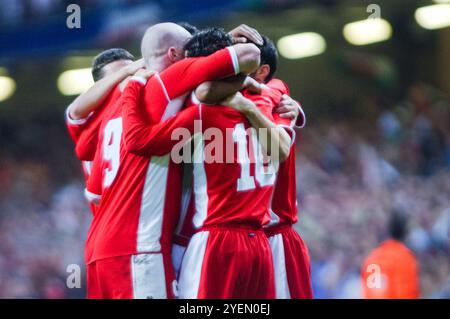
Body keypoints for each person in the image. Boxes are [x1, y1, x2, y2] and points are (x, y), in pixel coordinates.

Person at [83, 23, 262, 299]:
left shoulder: (114, 105)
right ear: (175, 55)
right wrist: (226, 44)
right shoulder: (166, 82)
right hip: (139, 248)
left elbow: (93, 192)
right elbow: (248, 55)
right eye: (188, 50)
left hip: (99, 250)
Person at [119, 27, 294, 298]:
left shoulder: (200, 113)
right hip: (258, 243)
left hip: (217, 240)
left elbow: (139, 141)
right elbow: (280, 149)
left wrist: (131, 89)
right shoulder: (267, 99)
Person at [65, 48, 143, 212]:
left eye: (131, 72)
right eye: (119, 76)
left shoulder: (136, 106)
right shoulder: (88, 118)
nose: (127, 79)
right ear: (100, 85)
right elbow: (75, 111)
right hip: (109, 214)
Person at [361, 211, 420, 298]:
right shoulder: (405, 257)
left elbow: (369, 293)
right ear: (405, 232)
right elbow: (405, 292)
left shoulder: (372, 257)